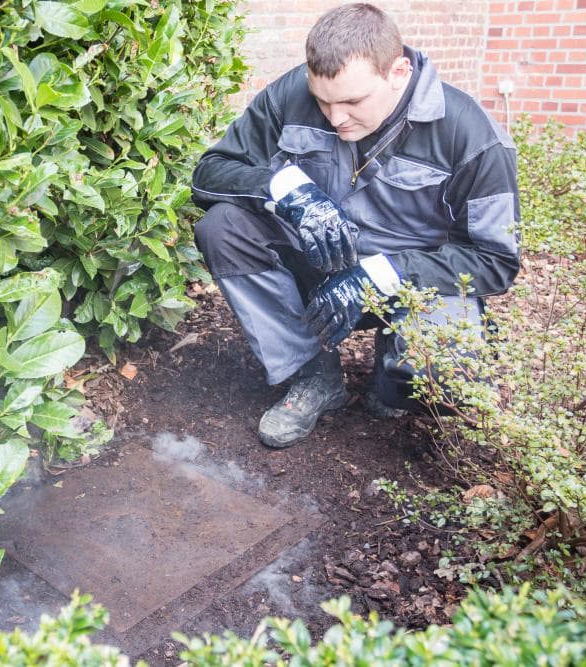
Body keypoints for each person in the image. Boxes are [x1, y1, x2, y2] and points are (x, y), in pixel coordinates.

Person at [191, 3, 520, 449]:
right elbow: (211, 171)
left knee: (433, 381)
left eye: (352, 101)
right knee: (222, 227)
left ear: (399, 72)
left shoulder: (472, 136)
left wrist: (384, 274)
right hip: (317, 269)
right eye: (322, 100)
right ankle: (314, 373)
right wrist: (285, 188)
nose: (334, 116)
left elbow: (496, 260)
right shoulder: (292, 94)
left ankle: (393, 368)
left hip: (411, 282)